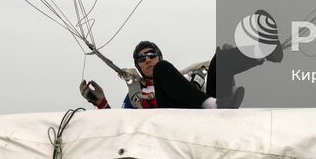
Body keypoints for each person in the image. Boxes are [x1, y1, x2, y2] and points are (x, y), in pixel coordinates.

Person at [80, 41, 237, 110]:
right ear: (138, 67)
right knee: (162, 69)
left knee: (221, 57)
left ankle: (259, 53)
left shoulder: (185, 79)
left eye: (151, 55)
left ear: (159, 56)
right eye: (142, 59)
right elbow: (120, 126)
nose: (148, 60)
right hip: (172, 124)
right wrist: (101, 103)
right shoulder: (136, 96)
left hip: (206, 113)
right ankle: (216, 107)